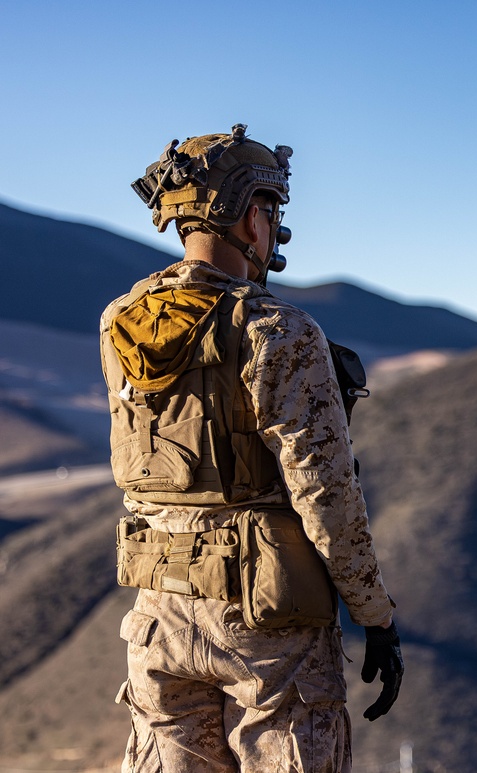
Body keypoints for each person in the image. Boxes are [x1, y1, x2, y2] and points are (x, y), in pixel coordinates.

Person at [101, 124, 402, 771]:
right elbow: (327, 495)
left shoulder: (121, 321)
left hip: (157, 612)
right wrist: (375, 614)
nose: (274, 228)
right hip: (265, 626)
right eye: (271, 210)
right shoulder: (279, 330)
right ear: (248, 212)